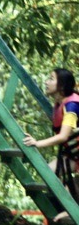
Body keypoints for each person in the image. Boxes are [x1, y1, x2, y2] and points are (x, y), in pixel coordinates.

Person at [24, 66, 79, 216]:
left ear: (61, 86)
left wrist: (37, 143)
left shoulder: (72, 105)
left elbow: (63, 136)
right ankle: (68, 209)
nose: (47, 82)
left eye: (51, 79)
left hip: (74, 154)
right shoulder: (59, 104)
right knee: (48, 172)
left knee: (71, 189)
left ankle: (71, 211)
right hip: (73, 155)